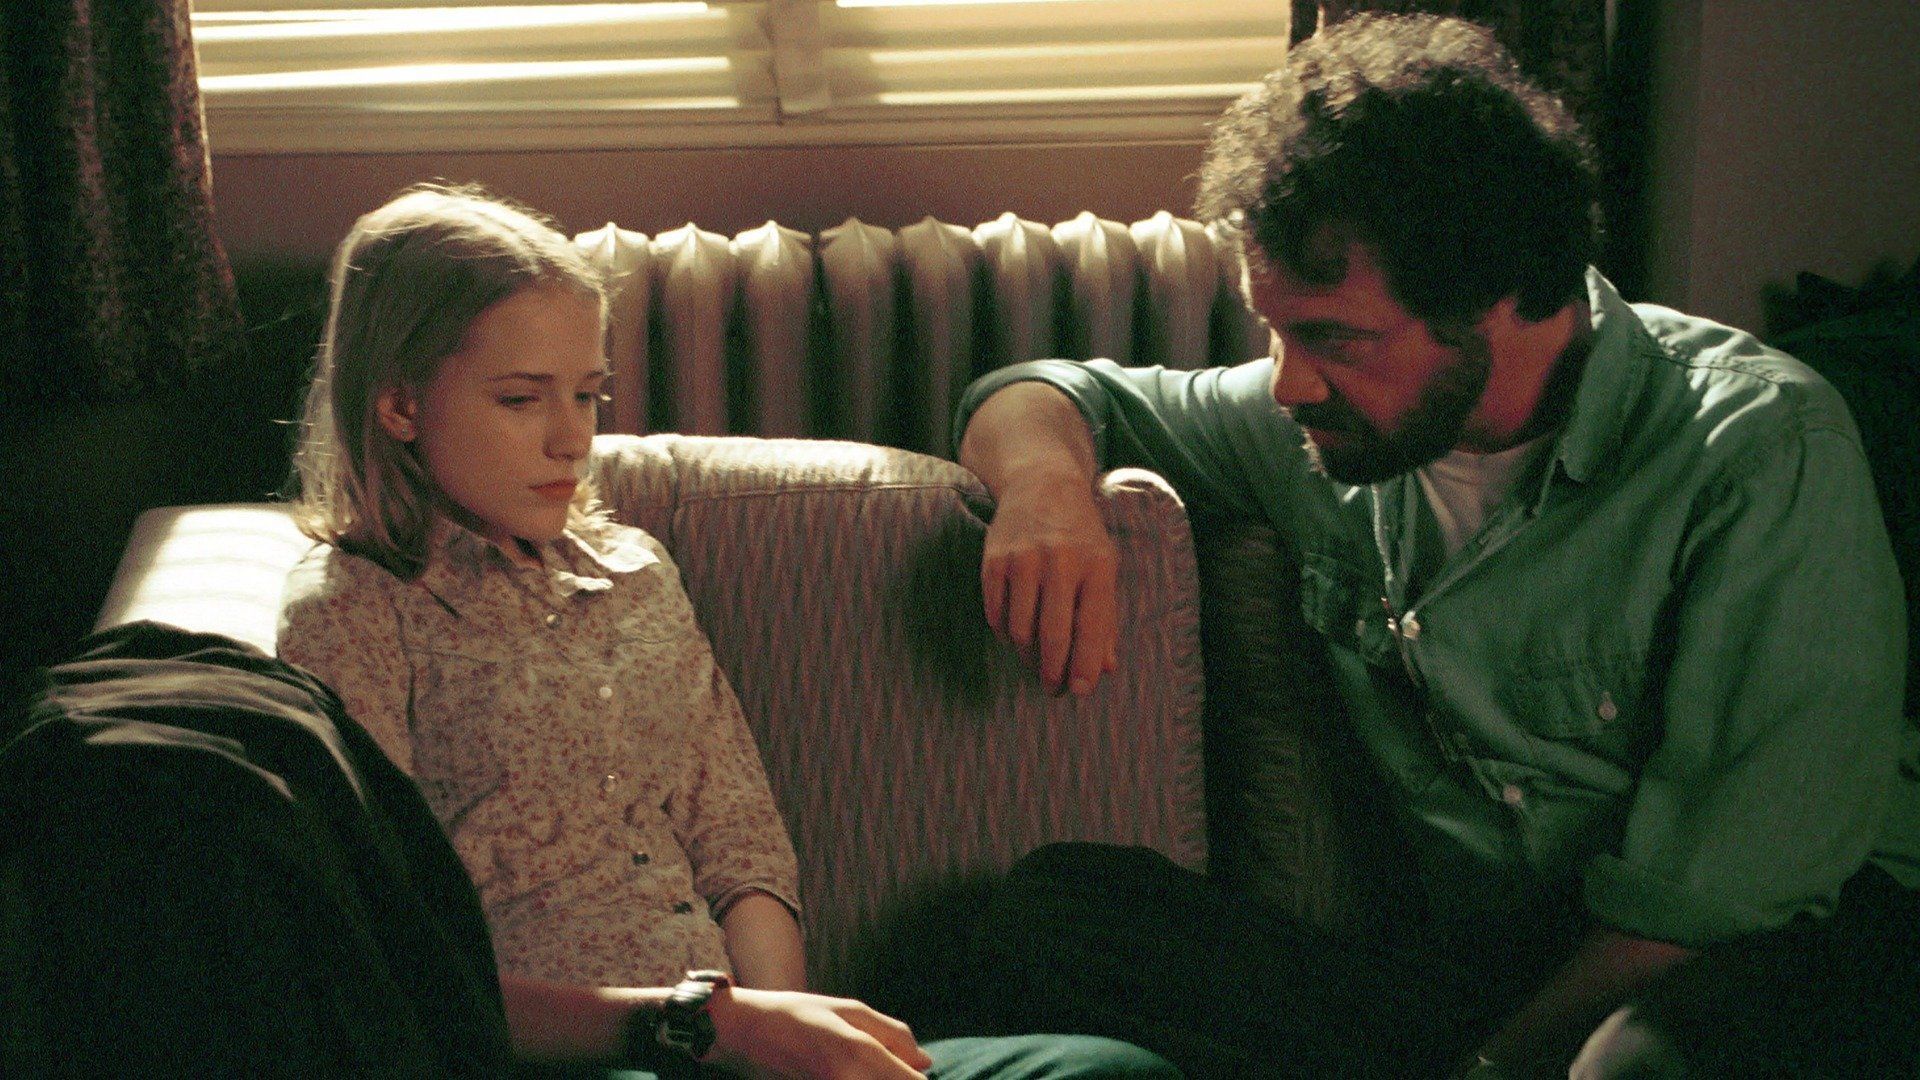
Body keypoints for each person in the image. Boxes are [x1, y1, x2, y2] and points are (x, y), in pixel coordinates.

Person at [954, 14, 1917, 1080]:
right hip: (1479, 972)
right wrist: (1046, 492)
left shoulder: (1758, 448)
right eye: (1275, 329)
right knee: (1056, 916)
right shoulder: (1330, 428)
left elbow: (1707, 903)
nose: (1288, 381)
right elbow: (1044, 393)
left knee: (1628, 1066)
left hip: (1760, 964)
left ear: (1492, 297)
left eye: (1332, 338)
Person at [276, 183, 1177, 1080]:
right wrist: (709, 1027)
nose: (571, 440)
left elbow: (739, 844)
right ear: (400, 406)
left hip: (738, 1053)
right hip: (577, 1060)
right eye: (521, 400)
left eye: (587, 395)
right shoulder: (350, 613)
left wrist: (785, 1036)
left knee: (1111, 1073)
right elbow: (393, 968)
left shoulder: (634, 571)